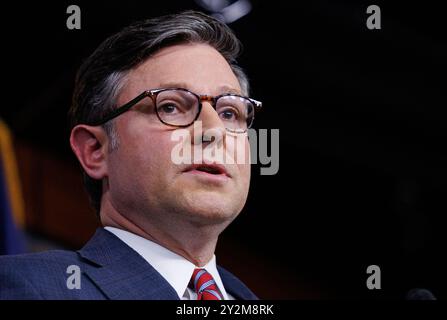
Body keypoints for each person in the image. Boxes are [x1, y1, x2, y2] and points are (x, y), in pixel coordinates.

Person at [0, 10, 261, 300]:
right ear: (95, 150)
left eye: (229, 112)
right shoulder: (27, 287)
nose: (214, 131)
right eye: (170, 107)